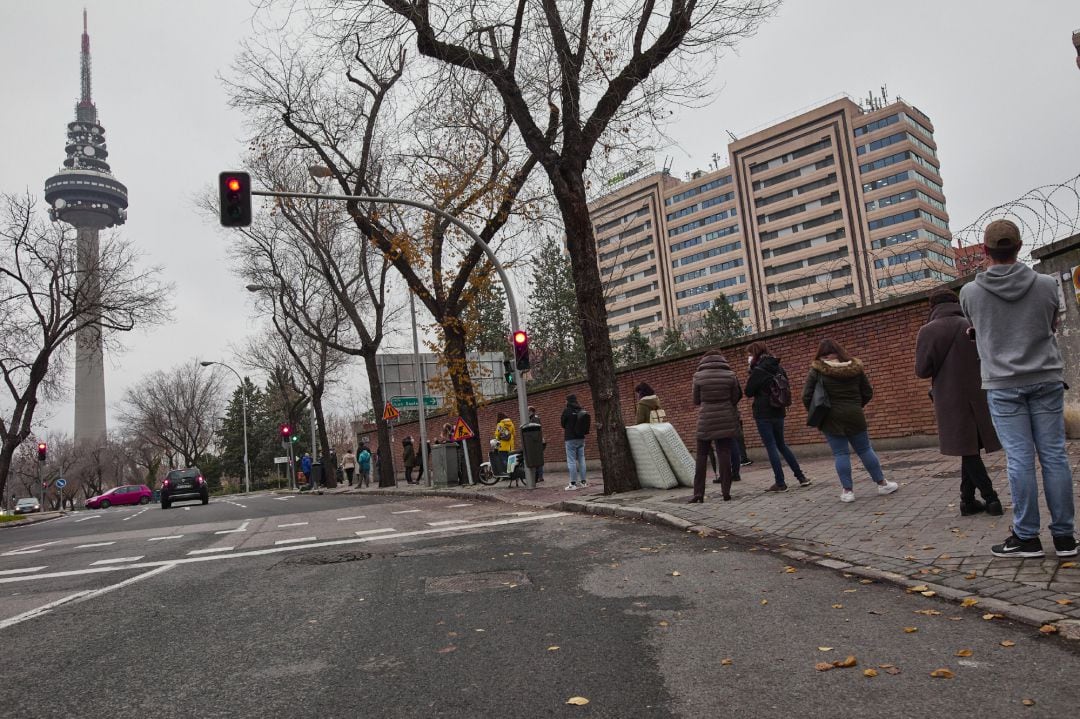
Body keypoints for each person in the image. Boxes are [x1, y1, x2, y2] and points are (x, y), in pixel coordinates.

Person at [960, 219, 1076, 558]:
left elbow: (979, 327)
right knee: (1054, 456)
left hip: (1003, 383)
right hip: (1046, 378)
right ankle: (1065, 538)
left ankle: (1026, 538)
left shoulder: (970, 292)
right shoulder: (1045, 284)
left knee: (1020, 459)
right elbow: (1050, 324)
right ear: (1020, 247)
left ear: (985, 251)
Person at [915, 288, 1002, 516]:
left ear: (932, 307)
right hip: (979, 394)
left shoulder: (928, 331)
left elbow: (922, 370)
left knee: (968, 450)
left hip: (950, 399)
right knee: (970, 448)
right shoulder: (971, 324)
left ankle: (991, 498)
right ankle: (967, 501)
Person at [802, 339, 898, 503]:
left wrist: (818, 412)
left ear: (820, 355)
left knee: (840, 453)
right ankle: (882, 484)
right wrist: (855, 405)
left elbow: (806, 396)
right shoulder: (855, 368)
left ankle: (848, 492)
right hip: (854, 414)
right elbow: (867, 392)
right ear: (839, 351)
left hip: (830, 417)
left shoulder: (817, 370)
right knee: (865, 449)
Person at [745, 341, 810, 492]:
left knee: (771, 446)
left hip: (763, 413)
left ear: (755, 354)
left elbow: (748, 391)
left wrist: (751, 373)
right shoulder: (778, 367)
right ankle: (801, 477)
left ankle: (780, 483)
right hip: (779, 411)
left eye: (749, 354)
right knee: (781, 444)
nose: (748, 358)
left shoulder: (759, 370)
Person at [690, 350, 741, 503]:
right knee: (724, 454)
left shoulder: (698, 376)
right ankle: (726, 492)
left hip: (706, 419)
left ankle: (698, 493)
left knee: (701, 456)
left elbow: (696, 400)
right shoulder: (731, 375)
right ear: (722, 360)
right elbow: (735, 397)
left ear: (704, 361)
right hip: (726, 418)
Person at [561, 394, 589, 490]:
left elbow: (562, 423)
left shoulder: (567, 411)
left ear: (568, 401)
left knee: (571, 461)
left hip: (570, 438)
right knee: (582, 459)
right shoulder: (581, 410)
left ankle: (573, 483)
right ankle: (583, 482)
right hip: (581, 438)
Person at [492, 413, 515, 477]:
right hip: (510, 445)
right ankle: (512, 472)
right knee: (510, 459)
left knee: (504, 459)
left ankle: (507, 473)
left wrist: (496, 440)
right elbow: (514, 434)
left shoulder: (500, 424)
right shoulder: (511, 424)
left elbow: (497, 434)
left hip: (502, 445)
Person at [527, 406, 545, 483]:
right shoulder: (535, 418)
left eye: (528, 411)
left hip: (535, 442)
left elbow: (534, 430)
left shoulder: (534, 419)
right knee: (538, 458)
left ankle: (539, 476)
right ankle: (539, 476)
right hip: (537, 441)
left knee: (537, 459)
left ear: (531, 411)